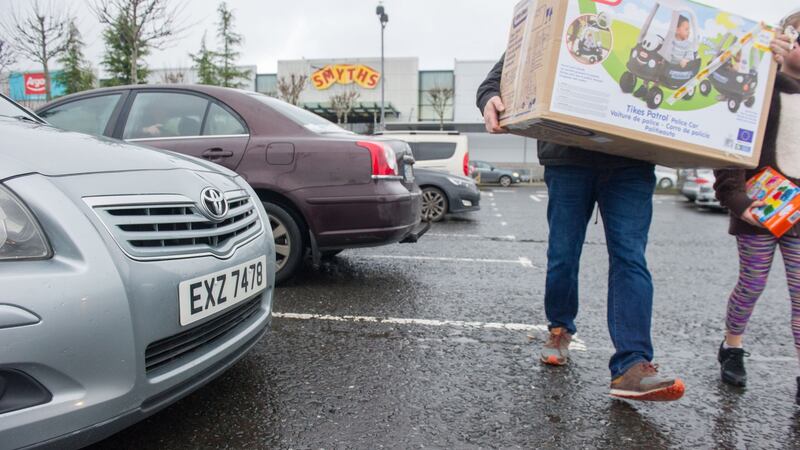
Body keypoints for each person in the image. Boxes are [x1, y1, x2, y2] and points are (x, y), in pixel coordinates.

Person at [477, 60, 685, 401]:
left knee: (630, 257)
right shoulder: (560, 12)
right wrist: (488, 99)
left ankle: (632, 364)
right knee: (562, 253)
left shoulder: (646, 20)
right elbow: (499, 76)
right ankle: (559, 328)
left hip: (630, 158)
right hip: (567, 158)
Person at [714, 10, 800, 406]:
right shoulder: (761, 86)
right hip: (761, 206)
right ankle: (732, 346)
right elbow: (731, 140)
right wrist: (735, 197)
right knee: (752, 285)